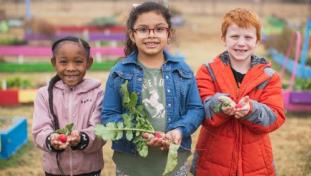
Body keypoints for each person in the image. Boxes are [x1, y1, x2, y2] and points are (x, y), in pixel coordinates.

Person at [101, 2, 204, 176]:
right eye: (143, 29)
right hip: (131, 165)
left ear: (169, 33)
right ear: (132, 35)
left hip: (173, 163)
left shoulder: (182, 70)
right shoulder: (119, 72)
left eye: (158, 29)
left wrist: (179, 130)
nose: (151, 35)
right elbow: (109, 115)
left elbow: (195, 109)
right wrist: (136, 131)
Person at [192, 8, 286, 176]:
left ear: (257, 41)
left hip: (256, 165)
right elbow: (200, 110)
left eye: (248, 37)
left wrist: (251, 110)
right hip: (212, 163)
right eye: (234, 36)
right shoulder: (207, 71)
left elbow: (275, 116)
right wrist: (219, 105)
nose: (241, 43)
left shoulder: (269, 77)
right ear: (223, 39)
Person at [32, 36, 105, 176]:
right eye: (63, 62)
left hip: (89, 170)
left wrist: (82, 138)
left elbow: (100, 130)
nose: (71, 68)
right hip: (54, 171)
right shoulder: (44, 94)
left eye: (78, 62)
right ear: (54, 62)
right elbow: (40, 130)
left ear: (88, 63)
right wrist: (51, 139)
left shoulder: (98, 93)